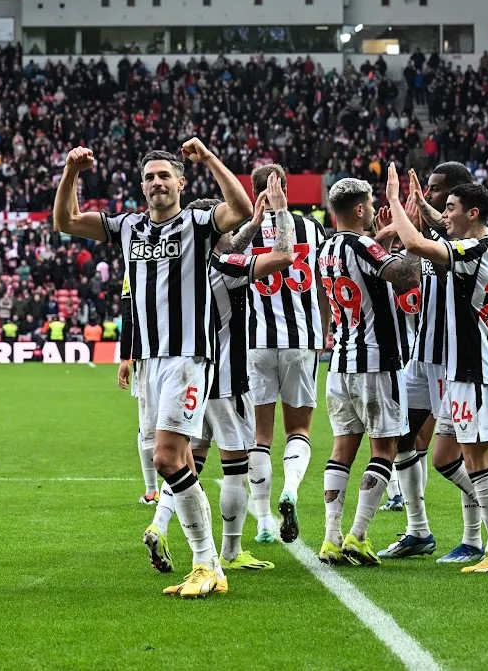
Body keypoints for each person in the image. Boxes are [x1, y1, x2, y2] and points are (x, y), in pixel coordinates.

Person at [54, 139, 250, 598]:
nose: (157, 183)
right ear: (141, 187)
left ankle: (206, 561)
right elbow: (64, 221)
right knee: (177, 462)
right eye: (150, 177)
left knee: (165, 459)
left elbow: (239, 207)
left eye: (165, 175)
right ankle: (209, 566)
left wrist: (209, 160)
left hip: (186, 358)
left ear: (181, 183)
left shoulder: (198, 222)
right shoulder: (128, 228)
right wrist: (71, 173)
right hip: (148, 361)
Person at [385, 165, 488, 573]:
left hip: (473, 367)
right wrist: (419, 206)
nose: (444, 214)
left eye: (450, 206)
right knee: (444, 457)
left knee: (477, 459)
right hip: (458, 367)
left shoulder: (476, 251)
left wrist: (397, 200)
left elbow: (416, 243)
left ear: (471, 213)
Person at [145, 180, 292, 576]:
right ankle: (230, 550)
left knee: (182, 462)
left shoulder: (177, 268)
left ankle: (159, 524)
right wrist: (278, 215)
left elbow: (227, 246)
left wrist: (250, 224)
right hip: (225, 379)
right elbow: (280, 257)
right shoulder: (226, 268)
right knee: (234, 466)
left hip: (185, 381)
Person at [313, 178, 420, 566]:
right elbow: (406, 276)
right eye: (372, 204)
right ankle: (358, 535)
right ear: (359, 209)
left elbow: (370, 272)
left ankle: (330, 537)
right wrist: (410, 233)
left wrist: (387, 237)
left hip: (340, 362)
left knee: (342, 448)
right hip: (376, 362)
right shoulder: (362, 245)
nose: (375, 210)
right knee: (384, 448)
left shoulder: (326, 249)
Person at [240, 164, 327, 547]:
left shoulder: (243, 233)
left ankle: (261, 520)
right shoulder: (312, 228)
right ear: (286, 188)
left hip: (256, 343)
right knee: (299, 430)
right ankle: (289, 489)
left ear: (254, 191)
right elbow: (326, 283)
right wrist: (323, 328)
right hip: (301, 341)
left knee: (260, 435)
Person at [117, 274, 159, 506]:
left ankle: (152, 491)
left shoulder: (133, 264)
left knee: (146, 426)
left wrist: (125, 357)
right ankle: (181, 486)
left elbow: (128, 314)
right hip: (185, 352)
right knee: (179, 423)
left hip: (147, 355)